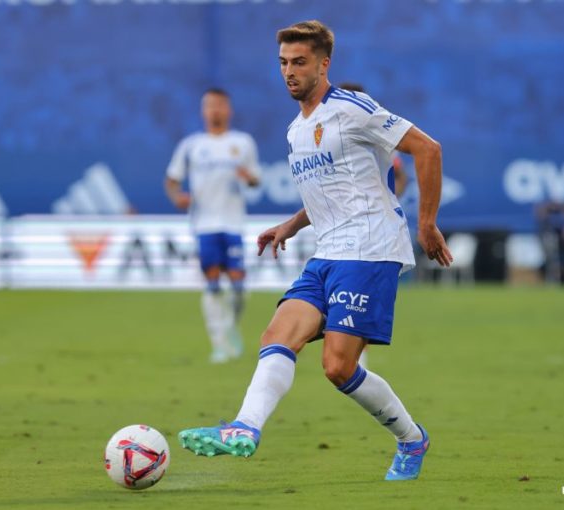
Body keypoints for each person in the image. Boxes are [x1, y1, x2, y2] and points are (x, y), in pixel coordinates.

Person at [178, 20, 452, 481]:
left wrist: (427, 224)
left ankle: (412, 438)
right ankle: (244, 428)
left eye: (300, 62)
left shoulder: (351, 108)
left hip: (369, 249)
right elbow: (325, 192)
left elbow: (428, 149)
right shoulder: (295, 131)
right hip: (327, 252)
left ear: (324, 64)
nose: (289, 71)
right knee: (277, 335)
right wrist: (289, 224)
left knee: (338, 368)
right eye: (284, 63)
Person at [165, 88, 261, 363]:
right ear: (203, 111)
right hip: (204, 225)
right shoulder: (191, 146)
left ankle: (230, 327)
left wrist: (248, 177)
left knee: (239, 286)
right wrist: (178, 198)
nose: (215, 110)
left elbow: (256, 179)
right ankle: (218, 342)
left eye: (220, 105)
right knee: (213, 283)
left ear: (228, 110)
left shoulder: (242, 143)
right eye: (210, 106)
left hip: (233, 223)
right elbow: (172, 180)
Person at [336, 82, 408, 368]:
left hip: (374, 232)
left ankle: (356, 368)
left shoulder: (377, 136)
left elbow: (402, 174)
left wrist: (387, 196)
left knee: (355, 305)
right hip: (340, 231)